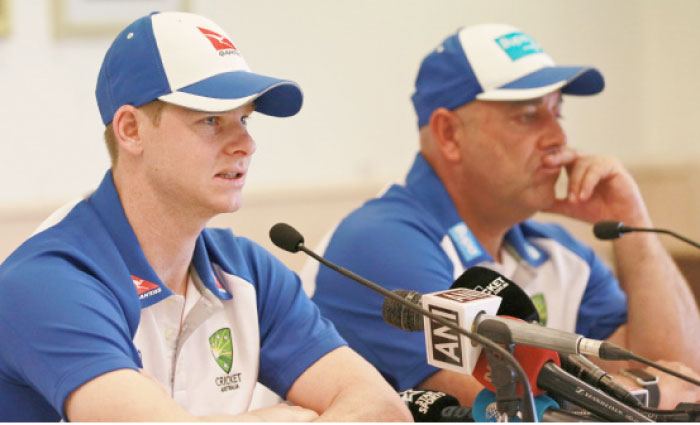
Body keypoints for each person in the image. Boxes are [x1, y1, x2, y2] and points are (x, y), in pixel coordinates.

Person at [0, 11, 411, 422]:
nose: (246, 144)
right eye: (211, 120)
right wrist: (284, 417)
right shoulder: (48, 281)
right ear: (130, 130)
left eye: (245, 119)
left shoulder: (249, 272)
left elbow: (385, 410)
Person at [307, 23, 700, 409]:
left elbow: (684, 381)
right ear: (449, 134)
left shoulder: (559, 250)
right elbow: (501, 407)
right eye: (529, 116)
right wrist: (646, 392)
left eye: (557, 114)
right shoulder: (382, 242)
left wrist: (633, 225)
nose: (558, 139)